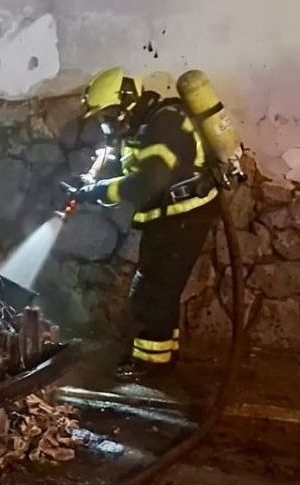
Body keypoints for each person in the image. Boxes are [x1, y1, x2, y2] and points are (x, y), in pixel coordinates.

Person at [72, 67, 221, 382]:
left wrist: (99, 192)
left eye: (109, 114)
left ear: (127, 100)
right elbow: (131, 173)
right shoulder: (144, 128)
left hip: (184, 217)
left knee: (155, 291)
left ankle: (152, 366)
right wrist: (89, 187)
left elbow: (147, 183)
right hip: (170, 217)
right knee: (157, 288)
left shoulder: (163, 124)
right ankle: (162, 356)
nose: (107, 123)